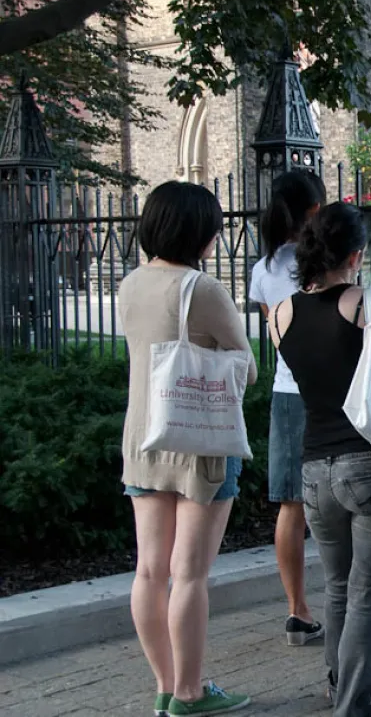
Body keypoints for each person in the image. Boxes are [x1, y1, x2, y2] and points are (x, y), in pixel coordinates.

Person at [269, 203, 371, 717]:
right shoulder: (368, 303)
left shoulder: (280, 314)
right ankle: (354, 706)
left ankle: (338, 686)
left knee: (337, 586)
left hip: (315, 470)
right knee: (367, 594)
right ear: (357, 254)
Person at [120, 181, 256, 716]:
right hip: (198, 442)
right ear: (197, 230)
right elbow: (242, 365)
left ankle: (165, 684)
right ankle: (191, 693)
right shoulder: (202, 289)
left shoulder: (130, 284)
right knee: (190, 573)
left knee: (149, 570)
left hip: (144, 439)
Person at [248, 169, 326, 647]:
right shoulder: (317, 260)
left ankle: (298, 609)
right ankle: (348, 601)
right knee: (344, 501)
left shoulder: (264, 269)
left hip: (286, 391)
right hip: (331, 392)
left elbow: (277, 329)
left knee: (291, 505)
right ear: (314, 210)